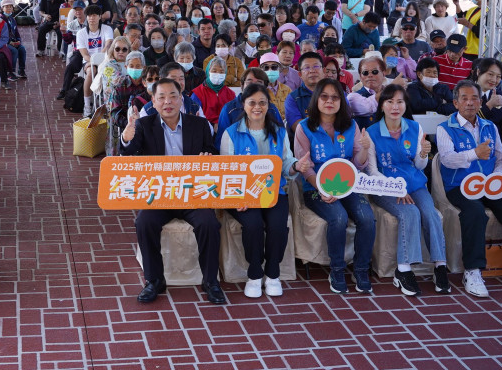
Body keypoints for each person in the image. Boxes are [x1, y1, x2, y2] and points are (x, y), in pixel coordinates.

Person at [119, 77, 225, 305]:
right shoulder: (144, 126)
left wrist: (207, 157)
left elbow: (211, 153)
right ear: (154, 102)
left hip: (192, 194)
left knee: (209, 223)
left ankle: (210, 281)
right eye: (161, 97)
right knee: (144, 222)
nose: (168, 102)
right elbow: (126, 156)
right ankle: (154, 280)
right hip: (160, 195)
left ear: (181, 98)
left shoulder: (198, 125)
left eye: (172, 96)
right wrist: (127, 136)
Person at [436, 80, 502, 298]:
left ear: (481, 101)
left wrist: (498, 177)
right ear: (455, 103)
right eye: (464, 98)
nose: (470, 103)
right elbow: (447, 160)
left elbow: (501, 158)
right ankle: (473, 271)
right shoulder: (445, 129)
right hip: (460, 186)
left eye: (474, 98)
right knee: (475, 213)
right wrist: (474, 154)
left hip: (490, 185)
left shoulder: (489, 127)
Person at [294, 78, 376, 293]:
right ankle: (337, 270)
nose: (329, 101)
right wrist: (323, 189)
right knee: (338, 217)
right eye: (324, 96)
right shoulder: (304, 128)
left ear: (341, 101)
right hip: (316, 188)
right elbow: (306, 167)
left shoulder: (351, 125)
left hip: (347, 185)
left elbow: (358, 163)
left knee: (367, 216)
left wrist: (365, 149)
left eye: (335, 97)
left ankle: (361, 269)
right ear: (316, 99)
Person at [367, 84, 449, 296]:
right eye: (390, 101)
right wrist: (394, 188)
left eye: (400, 102)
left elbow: (419, 166)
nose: (395, 106)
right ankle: (403, 270)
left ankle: (440, 266)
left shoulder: (414, 128)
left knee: (431, 213)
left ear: (406, 105)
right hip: (384, 187)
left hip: (414, 183)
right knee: (410, 212)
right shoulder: (371, 132)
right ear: (382, 105)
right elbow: (372, 171)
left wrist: (423, 153)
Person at [219, 82, 297, 298]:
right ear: (243, 105)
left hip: (273, 192)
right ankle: (254, 274)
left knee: (278, 225)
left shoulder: (279, 132)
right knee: (252, 224)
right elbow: (227, 171)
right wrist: (237, 198)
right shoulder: (231, 133)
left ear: (268, 105)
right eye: (252, 102)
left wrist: (297, 166)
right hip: (242, 195)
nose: (257, 107)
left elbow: (287, 161)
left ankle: (272, 273)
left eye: (262, 102)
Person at [474, 58, 502, 148]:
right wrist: (489, 105)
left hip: (496, 145)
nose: (494, 80)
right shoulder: (466, 92)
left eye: (498, 77)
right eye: (490, 74)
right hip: (471, 144)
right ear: (478, 72)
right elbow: (468, 120)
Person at [283, 52, 325, 135]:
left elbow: (344, 119)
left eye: (316, 66)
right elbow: (297, 127)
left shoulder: (336, 93)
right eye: (307, 68)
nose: (312, 71)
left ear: (324, 70)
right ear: (300, 74)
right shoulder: (293, 98)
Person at [191, 56, 235, 130]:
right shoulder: (197, 93)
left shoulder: (231, 94)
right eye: (214, 71)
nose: (218, 74)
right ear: (208, 71)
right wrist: (211, 125)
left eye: (221, 72)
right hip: (204, 131)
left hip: (227, 131)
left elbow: (234, 115)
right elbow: (193, 118)